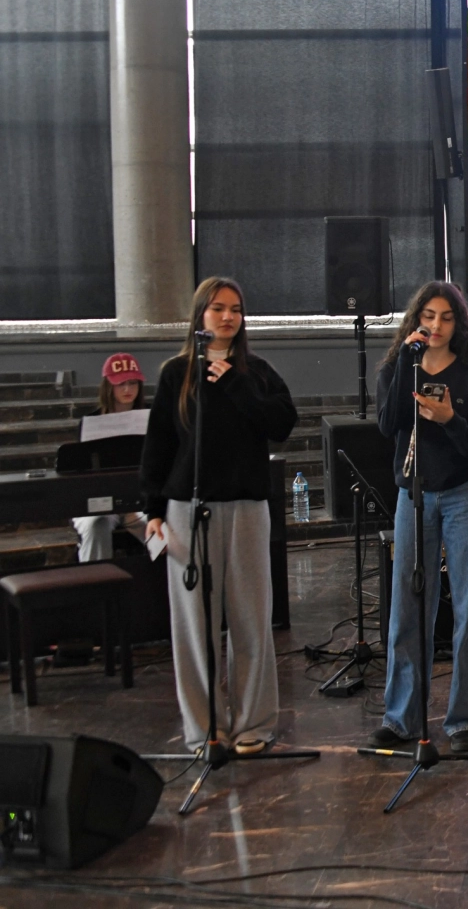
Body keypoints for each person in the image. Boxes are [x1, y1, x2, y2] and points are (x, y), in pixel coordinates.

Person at [140, 278, 297, 756]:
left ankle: (254, 725)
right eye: (217, 308)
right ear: (200, 315)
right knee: (195, 626)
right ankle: (205, 728)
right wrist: (152, 509)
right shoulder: (177, 374)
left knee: (251, 620)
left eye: (236, 309)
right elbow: (159, 445)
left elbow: (282, 424)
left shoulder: (258, 373)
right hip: (188, 512)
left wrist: (234, 383)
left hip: (246, 507)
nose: (228, 317)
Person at [371, 281, 468, 754]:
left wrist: (448, 419)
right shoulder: (397, 366)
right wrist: (407, 366)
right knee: (408, 606)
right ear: (416, 321)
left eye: (446, 317)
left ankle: (465, 720)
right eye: (429, 317)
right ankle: (401, 716)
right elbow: (387, 426)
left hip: (465, 493)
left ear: (457, 323)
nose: (437, 326)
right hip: (414, 495)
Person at [73, 352, 148, 562]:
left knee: (161, 526)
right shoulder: (91, 422)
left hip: (139, 499)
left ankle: (165, 577)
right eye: (120, 384)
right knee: (97, 524)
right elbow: (79, 470)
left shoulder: (152, 417)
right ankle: (96, 578)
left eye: (133, 383)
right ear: (108, 386)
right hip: (99, 500)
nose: (128, 389)